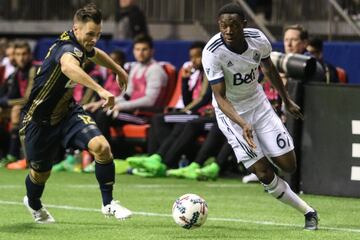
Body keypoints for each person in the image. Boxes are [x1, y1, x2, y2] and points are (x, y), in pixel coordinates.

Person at [201, 3, 318, 230]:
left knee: (288, 164)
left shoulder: (258, 39)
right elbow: (220, 97)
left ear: (243, 25)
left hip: (259, 104)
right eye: (223, 25)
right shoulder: (212, 52)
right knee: (264, 171)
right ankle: (308, 212)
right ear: (219, 26)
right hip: (232, 114)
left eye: (233, 25)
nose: (228, 30)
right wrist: (242, 123)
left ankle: (263, 162)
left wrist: (286, 99)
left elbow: (269, 70)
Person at [20, 3, 132, 223]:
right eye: (90, 34)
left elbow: (94, 53)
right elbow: (68, 67)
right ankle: (33, 203)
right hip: (38, 120)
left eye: (98, 34)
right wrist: (99, 89)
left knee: (101, 147)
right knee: (40, 174)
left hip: (68, 113)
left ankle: (108, 204)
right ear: (76, 28)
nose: (94, 39)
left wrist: (118, 69)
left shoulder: (81, 42)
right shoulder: (66, 48)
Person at [84, 34, 168, 151]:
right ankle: (92, 155)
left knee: (103, 115)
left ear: (152, 51)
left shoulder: (155, 70)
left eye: (144, 49)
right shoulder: (136, 67)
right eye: (137, 49)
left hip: (145, 115)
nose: (140, 53)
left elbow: (150, 101)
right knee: (96, 111)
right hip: (132, 112)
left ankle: (104, 156)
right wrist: (103, 103)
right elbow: (127, 95)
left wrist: (120, 107)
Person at [0, 41, 36, 169]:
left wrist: (5, 102)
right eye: (18, 54)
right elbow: (9, 95)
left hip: (39, 107)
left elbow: (28, 98)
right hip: (25, 107)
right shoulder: (17, 73)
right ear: (14, 56)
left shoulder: (34, 69)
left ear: (30, 55)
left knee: (16, 110)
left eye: (24, 54)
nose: (21, 57)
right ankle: (6, 154)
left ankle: (17, 156)